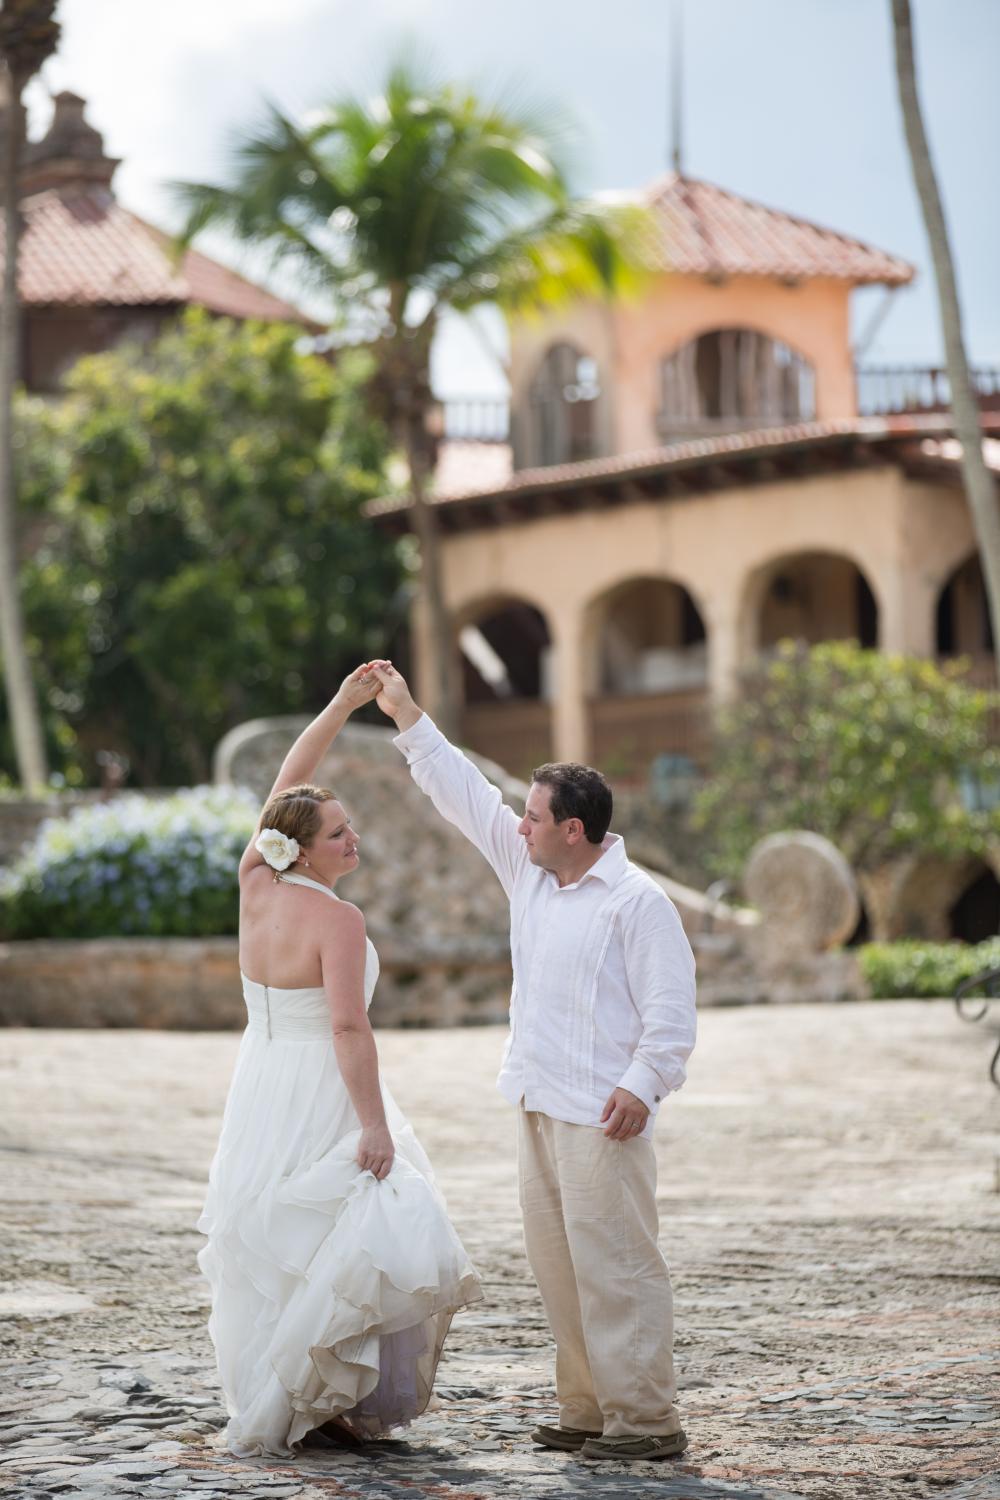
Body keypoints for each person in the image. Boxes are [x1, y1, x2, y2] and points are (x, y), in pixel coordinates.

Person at [371, 660, 697, 1464]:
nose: (519, 825)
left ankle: (647, 1420)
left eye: (534, 816)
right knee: (561, 1271)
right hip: (536, 1102)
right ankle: (588, 1410)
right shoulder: (531, 874)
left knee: (619, 1268)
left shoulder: (638, 903)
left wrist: (643, 1085)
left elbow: (671, 1014)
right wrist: (408, 713)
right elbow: (465, 795)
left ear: (572, 830)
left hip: (604, 1113)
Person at [197, 665, 481, 1459]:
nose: (353, 839)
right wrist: (374, 1125)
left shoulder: (256, 880)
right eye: (338, 834)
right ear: (304, 847)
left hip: (260, 1079)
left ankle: (304, 1393)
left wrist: (341, 705)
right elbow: (350, 1030)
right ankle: (309, 1394)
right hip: (321, 1081)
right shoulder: (339, 919)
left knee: (281, 1233)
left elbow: (290, 779)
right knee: (351, 1227)